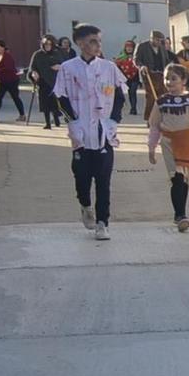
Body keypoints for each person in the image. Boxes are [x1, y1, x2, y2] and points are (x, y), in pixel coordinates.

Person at [54, 25, 127, 241]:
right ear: (80, 43)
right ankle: (85, 205)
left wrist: (114, 120)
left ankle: (103, 222)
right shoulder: (68, 68)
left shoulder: (109, 67)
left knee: (103, 179)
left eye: (99, 41)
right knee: (82, 176)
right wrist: (73, 122)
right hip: (81, 129)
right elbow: (61, 98)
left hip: (104, 129)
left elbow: (120, 96)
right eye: (93, 41)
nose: (97, 46)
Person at [146, 63, 189, 232]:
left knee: (185, 179)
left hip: (187, 142)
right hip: (169, 143)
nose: (169, 82)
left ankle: (181, 213)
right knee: (177, 178)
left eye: (174, 78)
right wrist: (151, 147)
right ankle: (180, 215)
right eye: (167, 78)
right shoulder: (161, 102)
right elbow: (154, 126)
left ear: (184, 80)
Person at [30, 36, 66, 129]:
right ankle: (47, 123)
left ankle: (56, 120)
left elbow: (65, 65)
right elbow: (33, 67)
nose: (48, 46)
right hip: (43, 82)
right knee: (45, 103)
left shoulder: (57, 53)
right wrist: (34, 73)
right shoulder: (37, 54)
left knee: (55, 103)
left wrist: (60, 66)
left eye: (50, 44)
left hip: (55, 81)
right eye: (46, 44)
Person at [137, 30, 175, 116]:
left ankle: (162, 115)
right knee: (150, 97)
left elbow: (166, 59)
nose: (159, 42)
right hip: (149, 74)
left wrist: (169, 68)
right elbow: (136, 60)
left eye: (160, 40)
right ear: (152, 39)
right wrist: (141, 66)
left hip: (161, 74)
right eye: (157, 40)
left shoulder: (162, 47)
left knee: (163, 95)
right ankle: (149, 117)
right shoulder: (142, 46)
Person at [0, 40, 26, 122]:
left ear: (3, 47)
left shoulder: (7, 56)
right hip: (1, 80)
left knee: (15, 97)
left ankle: (22, 115)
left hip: (11, 80)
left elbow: (8, 68)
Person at [117, 39, 141, 116]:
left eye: (131, 47)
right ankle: (132, 107)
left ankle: (134, 108)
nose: (129, 48)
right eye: (127, 47)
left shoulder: (136, 56)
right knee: (130, 93)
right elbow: (118, 67)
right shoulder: (122, 56)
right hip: (126, 78)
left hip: (135, 78)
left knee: (133, 92)